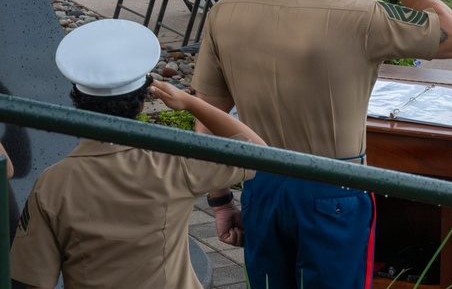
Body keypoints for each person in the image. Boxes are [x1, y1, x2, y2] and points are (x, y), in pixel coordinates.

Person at [191, 0, 452, 289]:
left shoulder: (225, 12)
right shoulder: (362, 15)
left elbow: (208, 120)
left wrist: (220, 202)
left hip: (261, 188)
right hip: (334, 191)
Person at [10, 18, 264, 289]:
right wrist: (191, 103)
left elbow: (32, 280)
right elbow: (258, 151)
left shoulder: (51, 184)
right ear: (143, 102)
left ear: (77, 101)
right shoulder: (176, 161)